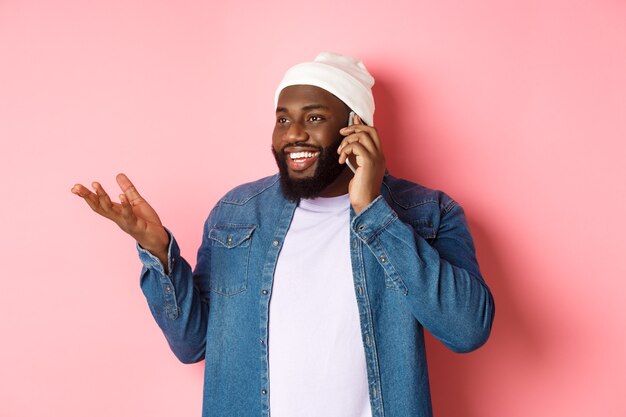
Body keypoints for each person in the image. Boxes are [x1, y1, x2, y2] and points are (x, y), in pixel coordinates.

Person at [71, 52, 495, 417]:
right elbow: (192, 344)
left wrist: (372, 211)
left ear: (357, 127)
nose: (293, 133)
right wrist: (158, 252)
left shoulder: (427, 212)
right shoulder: (236, 213)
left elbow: (466, 331)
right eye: (282, 119)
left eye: (314, 117)